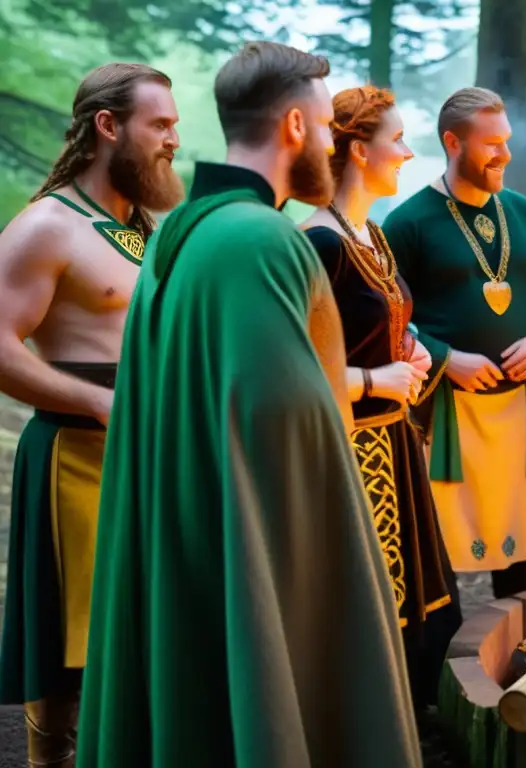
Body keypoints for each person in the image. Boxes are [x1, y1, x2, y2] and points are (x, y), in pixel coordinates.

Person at [74, 42, 421, 767]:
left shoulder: (176, 230)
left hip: (187, 545)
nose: (331, 145)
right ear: (295, 127)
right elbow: (296, 443)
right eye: (327, 128)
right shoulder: (263, 240)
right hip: (244, 560)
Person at [0, 62, 183, 766]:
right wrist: (97, 400)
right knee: (71, 635)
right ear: (108, 126)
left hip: (152, 454)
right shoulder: (48, 225)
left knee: (142, 628)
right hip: (75, 456)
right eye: (159, 124)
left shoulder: (146, 229)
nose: (173, 139)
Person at [299, 84, 463, 711]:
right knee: (362, 598)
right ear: (358, 150)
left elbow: (380, 322)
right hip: (345, 450)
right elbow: (287, 366)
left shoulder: (373, 236)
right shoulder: (319, 242)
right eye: (396, 140)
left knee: (417, 602)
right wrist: (373, 381)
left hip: (396, 444)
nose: (407, 152)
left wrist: (412, 345)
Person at [382, 86, 526, 599]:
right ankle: (448, 671)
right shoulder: (409, 223)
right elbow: (389, 320)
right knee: (442, 560)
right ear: (453, 142)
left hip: (517, 413)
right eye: (491, 144)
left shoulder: (524, 213)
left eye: (506, 141)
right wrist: (445, 359)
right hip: (446, 415)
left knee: (523, 564)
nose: (504, 155)